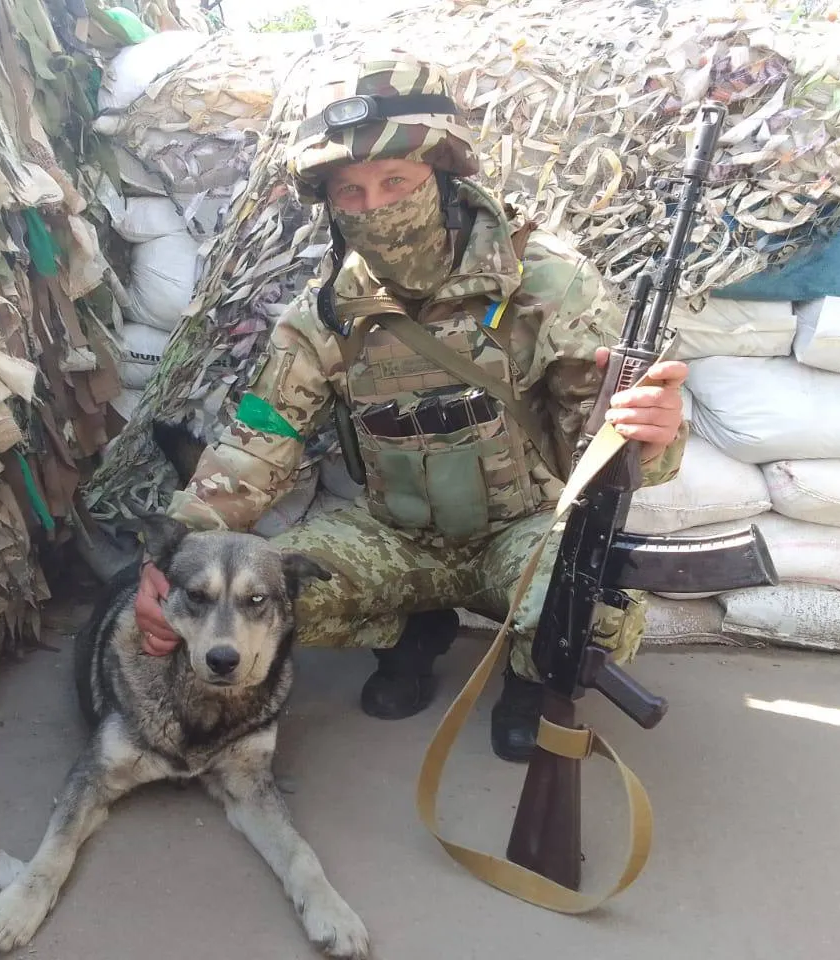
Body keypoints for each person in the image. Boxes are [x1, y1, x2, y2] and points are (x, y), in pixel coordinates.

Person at [133, 53, 689, 762]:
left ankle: (528, 682)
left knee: (591, 603)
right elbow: (256, 445)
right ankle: (411, 633)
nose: (375, 207)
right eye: (351, 190)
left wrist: (653, 433)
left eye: (396, 181)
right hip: (394, 535)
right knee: (270, 593)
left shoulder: (546, 282)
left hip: (523, 529)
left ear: (445, 176)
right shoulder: (324, 316)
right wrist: (176, 551)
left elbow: (608, 445)